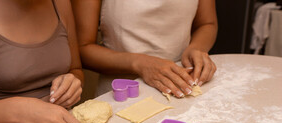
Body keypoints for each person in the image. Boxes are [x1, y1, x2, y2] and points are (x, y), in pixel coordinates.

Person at [72, 0, 218, 98]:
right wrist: (140, 64)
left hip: (183, 86)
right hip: (123, 95)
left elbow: (207, 23)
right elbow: (82, 48)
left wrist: (196, 47)